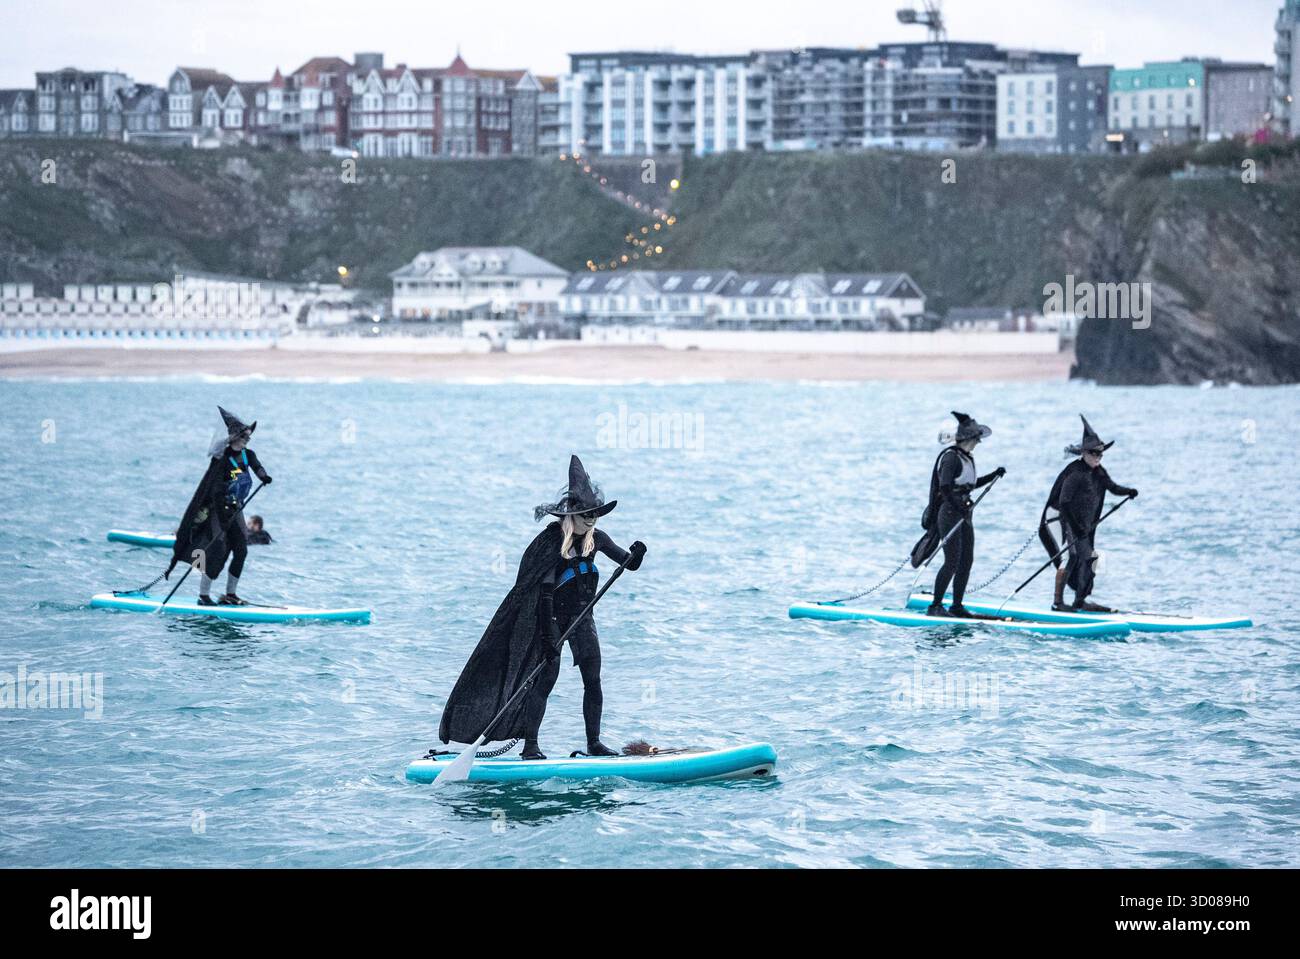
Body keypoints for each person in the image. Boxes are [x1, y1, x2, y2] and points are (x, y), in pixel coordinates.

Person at [438, 455, 646, 760]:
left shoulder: (597, 539)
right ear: (571, 515)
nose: (591, 520)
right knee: (544, 681)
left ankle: (594, 743)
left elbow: (628, 565)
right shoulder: (551, 542)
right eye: (586, 514)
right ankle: (530, 746)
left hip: (582, 620)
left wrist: (636, 553)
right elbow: (544, 592)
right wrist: (549, 637)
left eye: (595, 515)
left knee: (593, 677)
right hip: (547, 621)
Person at [168, 407, 272, 605]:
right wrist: (223, 520)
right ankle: (203, 595)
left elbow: (257, 466)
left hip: (236, 509)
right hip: (219, 511)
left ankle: (229, 595)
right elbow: (215, 491)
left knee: (241, 550)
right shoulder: (222, 459)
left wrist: (263, 476)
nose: (248, 440)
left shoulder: (248, 454)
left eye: (249, 437)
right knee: (218, 551)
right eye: (245, 436)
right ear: (234, 437)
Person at [1039, 415, 1137, 612]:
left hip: (1079, 525)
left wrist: (1128, 492)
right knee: (1070, 557)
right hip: (1058, 519)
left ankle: (1080, 601)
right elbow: (1064, 503)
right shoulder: (1075, 473)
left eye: (1101, 454)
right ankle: (1057, 603)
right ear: (1083, 453)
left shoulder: (1098, 471)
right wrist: (1076, 528)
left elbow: (1112, 487)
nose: (1098, 457)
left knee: (1092, 559)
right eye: (1094, 453)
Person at [922, 412, 1005, 618]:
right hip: (949, 514)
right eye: (976, 437)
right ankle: (935, 606)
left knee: (966, 560)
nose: (979, 440)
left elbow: (969, 485)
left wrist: (993, 475)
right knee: (951, 561)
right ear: (968, 438)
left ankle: (957, 606)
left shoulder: (967, 458)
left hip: (964, 514)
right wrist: (959, 507)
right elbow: (945, 487)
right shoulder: (951, 458)